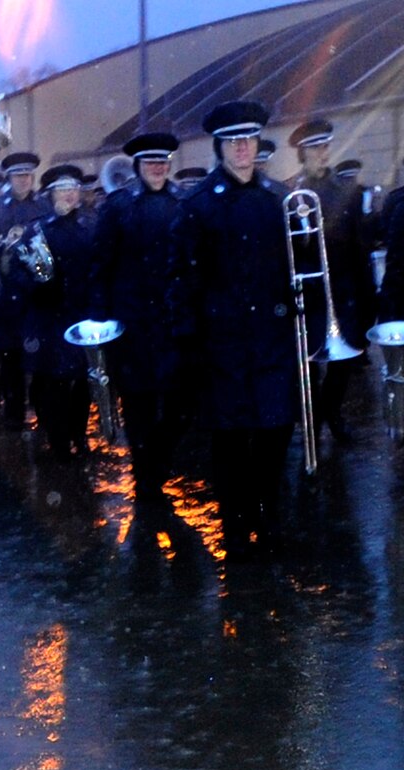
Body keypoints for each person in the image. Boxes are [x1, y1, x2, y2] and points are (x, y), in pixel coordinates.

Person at [169, 100, 295, 561]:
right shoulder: (198, 207)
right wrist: (189, 349)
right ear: (220, 147)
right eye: (233, 141)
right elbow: (180, 283)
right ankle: (236, 528)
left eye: (249, 139)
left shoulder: (278, 199)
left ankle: (269, 518)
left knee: (275, 437)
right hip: (221, 349)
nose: (243, 148)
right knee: (228, 446)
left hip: (273, 342)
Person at [90, 132, 189, 500]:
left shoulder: (183, 201)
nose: (158, 168)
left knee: (181, 406)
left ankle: (157, 463)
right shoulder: (118, 207)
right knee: (138, 406)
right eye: (151, 163)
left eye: (163, 162)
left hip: (174, 322)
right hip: (131, 325)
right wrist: (100, 318)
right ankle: (146, 479)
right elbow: (101, 264)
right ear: (138, 167)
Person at [286, 119, 375, 442]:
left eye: (325, 146)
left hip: (343, 289)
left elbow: (359, 245)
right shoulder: (292, 194)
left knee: (343, 362)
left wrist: (368, 298)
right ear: (302, 154)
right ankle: (311, 418)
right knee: (309, 363)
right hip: (310, 293)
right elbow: (291, 251)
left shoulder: (346, 191)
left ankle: (330, 413)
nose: (322, 153)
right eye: (315, 148)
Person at [13, 164, 93, 461]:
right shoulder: (37, 230)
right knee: (53, 383)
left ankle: (79, 434)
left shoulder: (91, 225)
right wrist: (38, 287)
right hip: (49, 319)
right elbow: (19, 274)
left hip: (82, 315)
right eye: (63, 188)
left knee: (84, 381)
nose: (70, 194)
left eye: (74, 188)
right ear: (50, 194)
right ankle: (58, 439)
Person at [0, 151, 51, 426]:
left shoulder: (44, 208)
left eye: (28, 175)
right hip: (5, 300)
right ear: (9, 178)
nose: (24, 180)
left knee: (39, 360)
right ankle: (13, 414)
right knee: (11, 360)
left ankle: (42, 413)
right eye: (18, 176)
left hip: (37, 299)